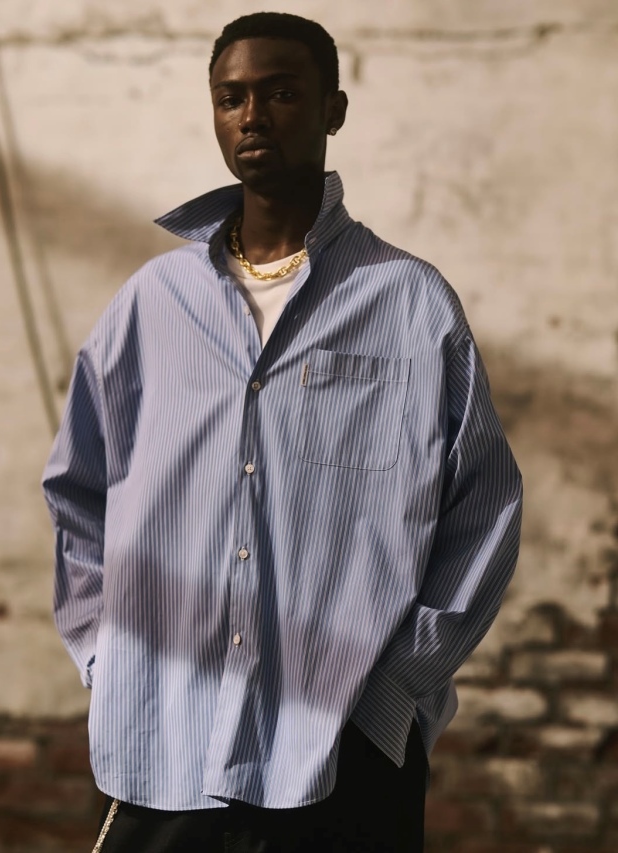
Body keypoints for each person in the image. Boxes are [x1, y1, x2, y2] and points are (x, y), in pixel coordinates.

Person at [42, 11, 522, 853]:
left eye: (281, 94)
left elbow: (482, 512)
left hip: (340, 751)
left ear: (334, 109)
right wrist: (106, 658)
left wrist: (393, 690)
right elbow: (77, 492)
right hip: (164, 742)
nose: (253, 116)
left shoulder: (410, 304)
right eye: (231, 98)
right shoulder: (150, 306)